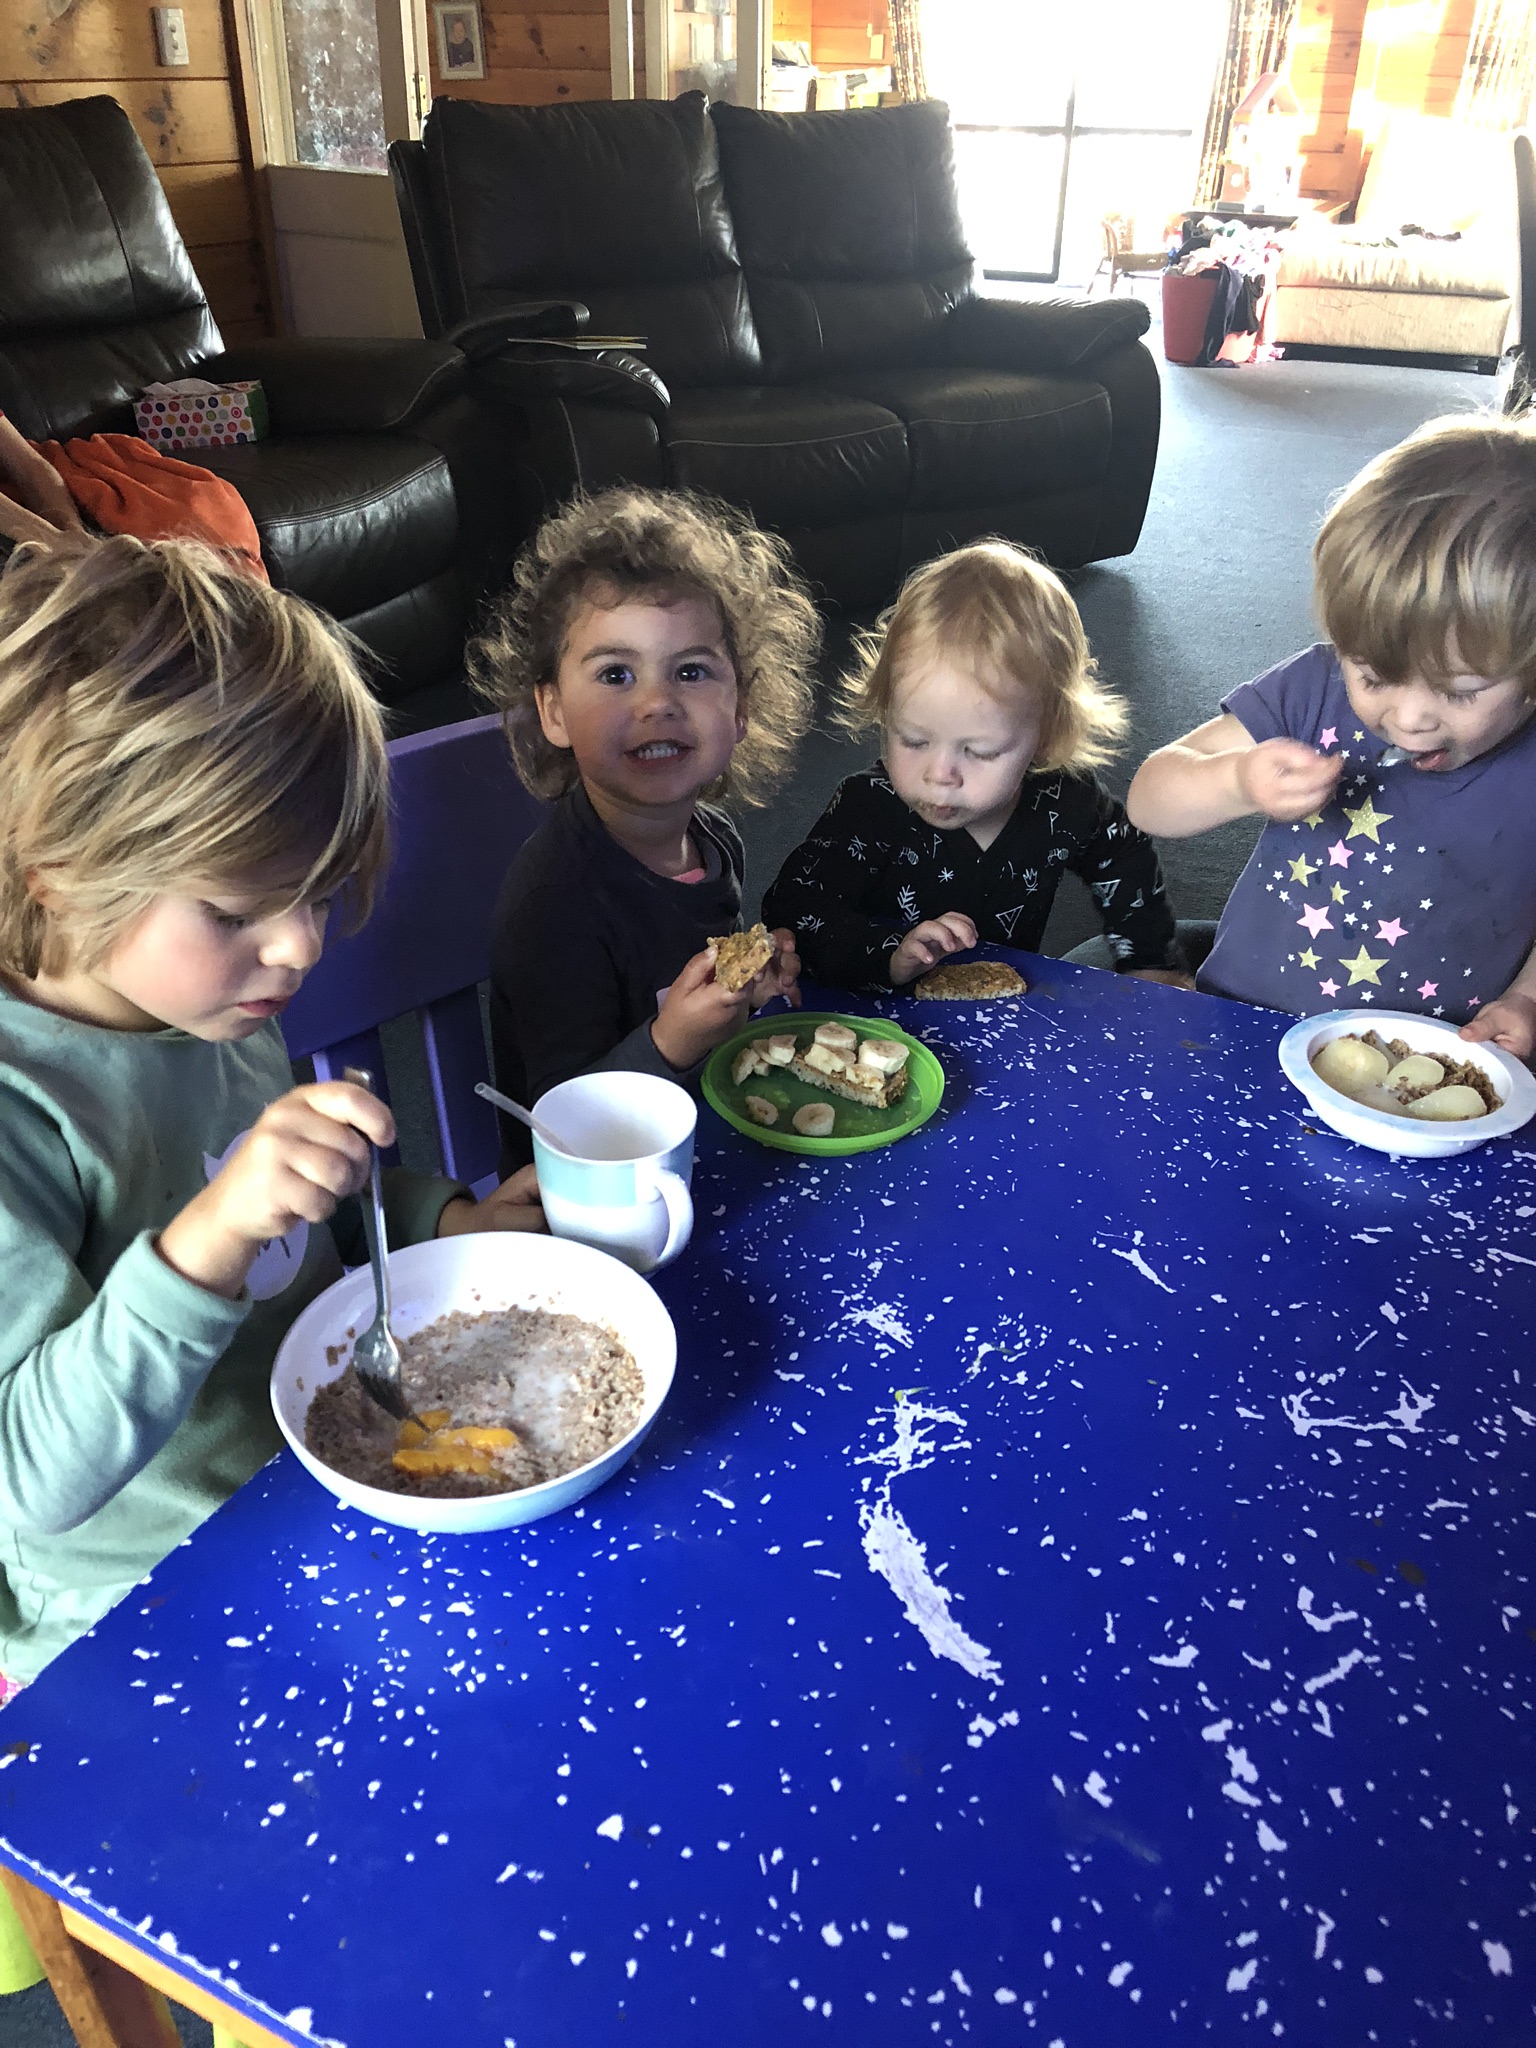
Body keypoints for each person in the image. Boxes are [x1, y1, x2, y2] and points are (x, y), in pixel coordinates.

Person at [0, 535, 544, 1699]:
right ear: (59, 868)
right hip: (132, 1624)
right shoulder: (24, 1106)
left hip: (306, 1487)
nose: (299, 946)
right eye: (239, 905)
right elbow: (29, 1477)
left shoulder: (207, 998)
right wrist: (207, 1238)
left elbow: (299, 1204)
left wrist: (440, 1215)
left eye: (317, 891)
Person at [1126, 413, 1536, 1057]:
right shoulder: (1314, 688)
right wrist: (1236, 781)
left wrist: (1528, 997)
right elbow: (1149, 799)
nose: (1408, 718)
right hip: (1242, 1025)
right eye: (1373, 675)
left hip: (1420, 1064)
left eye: (1459, 691)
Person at [472, 488, 819, 1170]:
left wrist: (745, 991)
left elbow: (700, 996)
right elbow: (563, 1126)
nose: (657, 702)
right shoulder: (554, 905)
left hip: (704, 1141)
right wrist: (670, 1042)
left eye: (691, 671)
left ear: (741, 710)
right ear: (554, 712)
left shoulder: (714, 842)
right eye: (616, 674)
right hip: (594, 1197)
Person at [762, 540, 1186, 989]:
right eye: (914, 740)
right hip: (868, 1016)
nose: (939, 775)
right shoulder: (868, 807)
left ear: (1047, 737)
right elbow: (793, 910)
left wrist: (1150, 960)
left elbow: (1123, 854)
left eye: (980, 751)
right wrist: (891, 953)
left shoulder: (1064, 800)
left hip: (999, 1007)